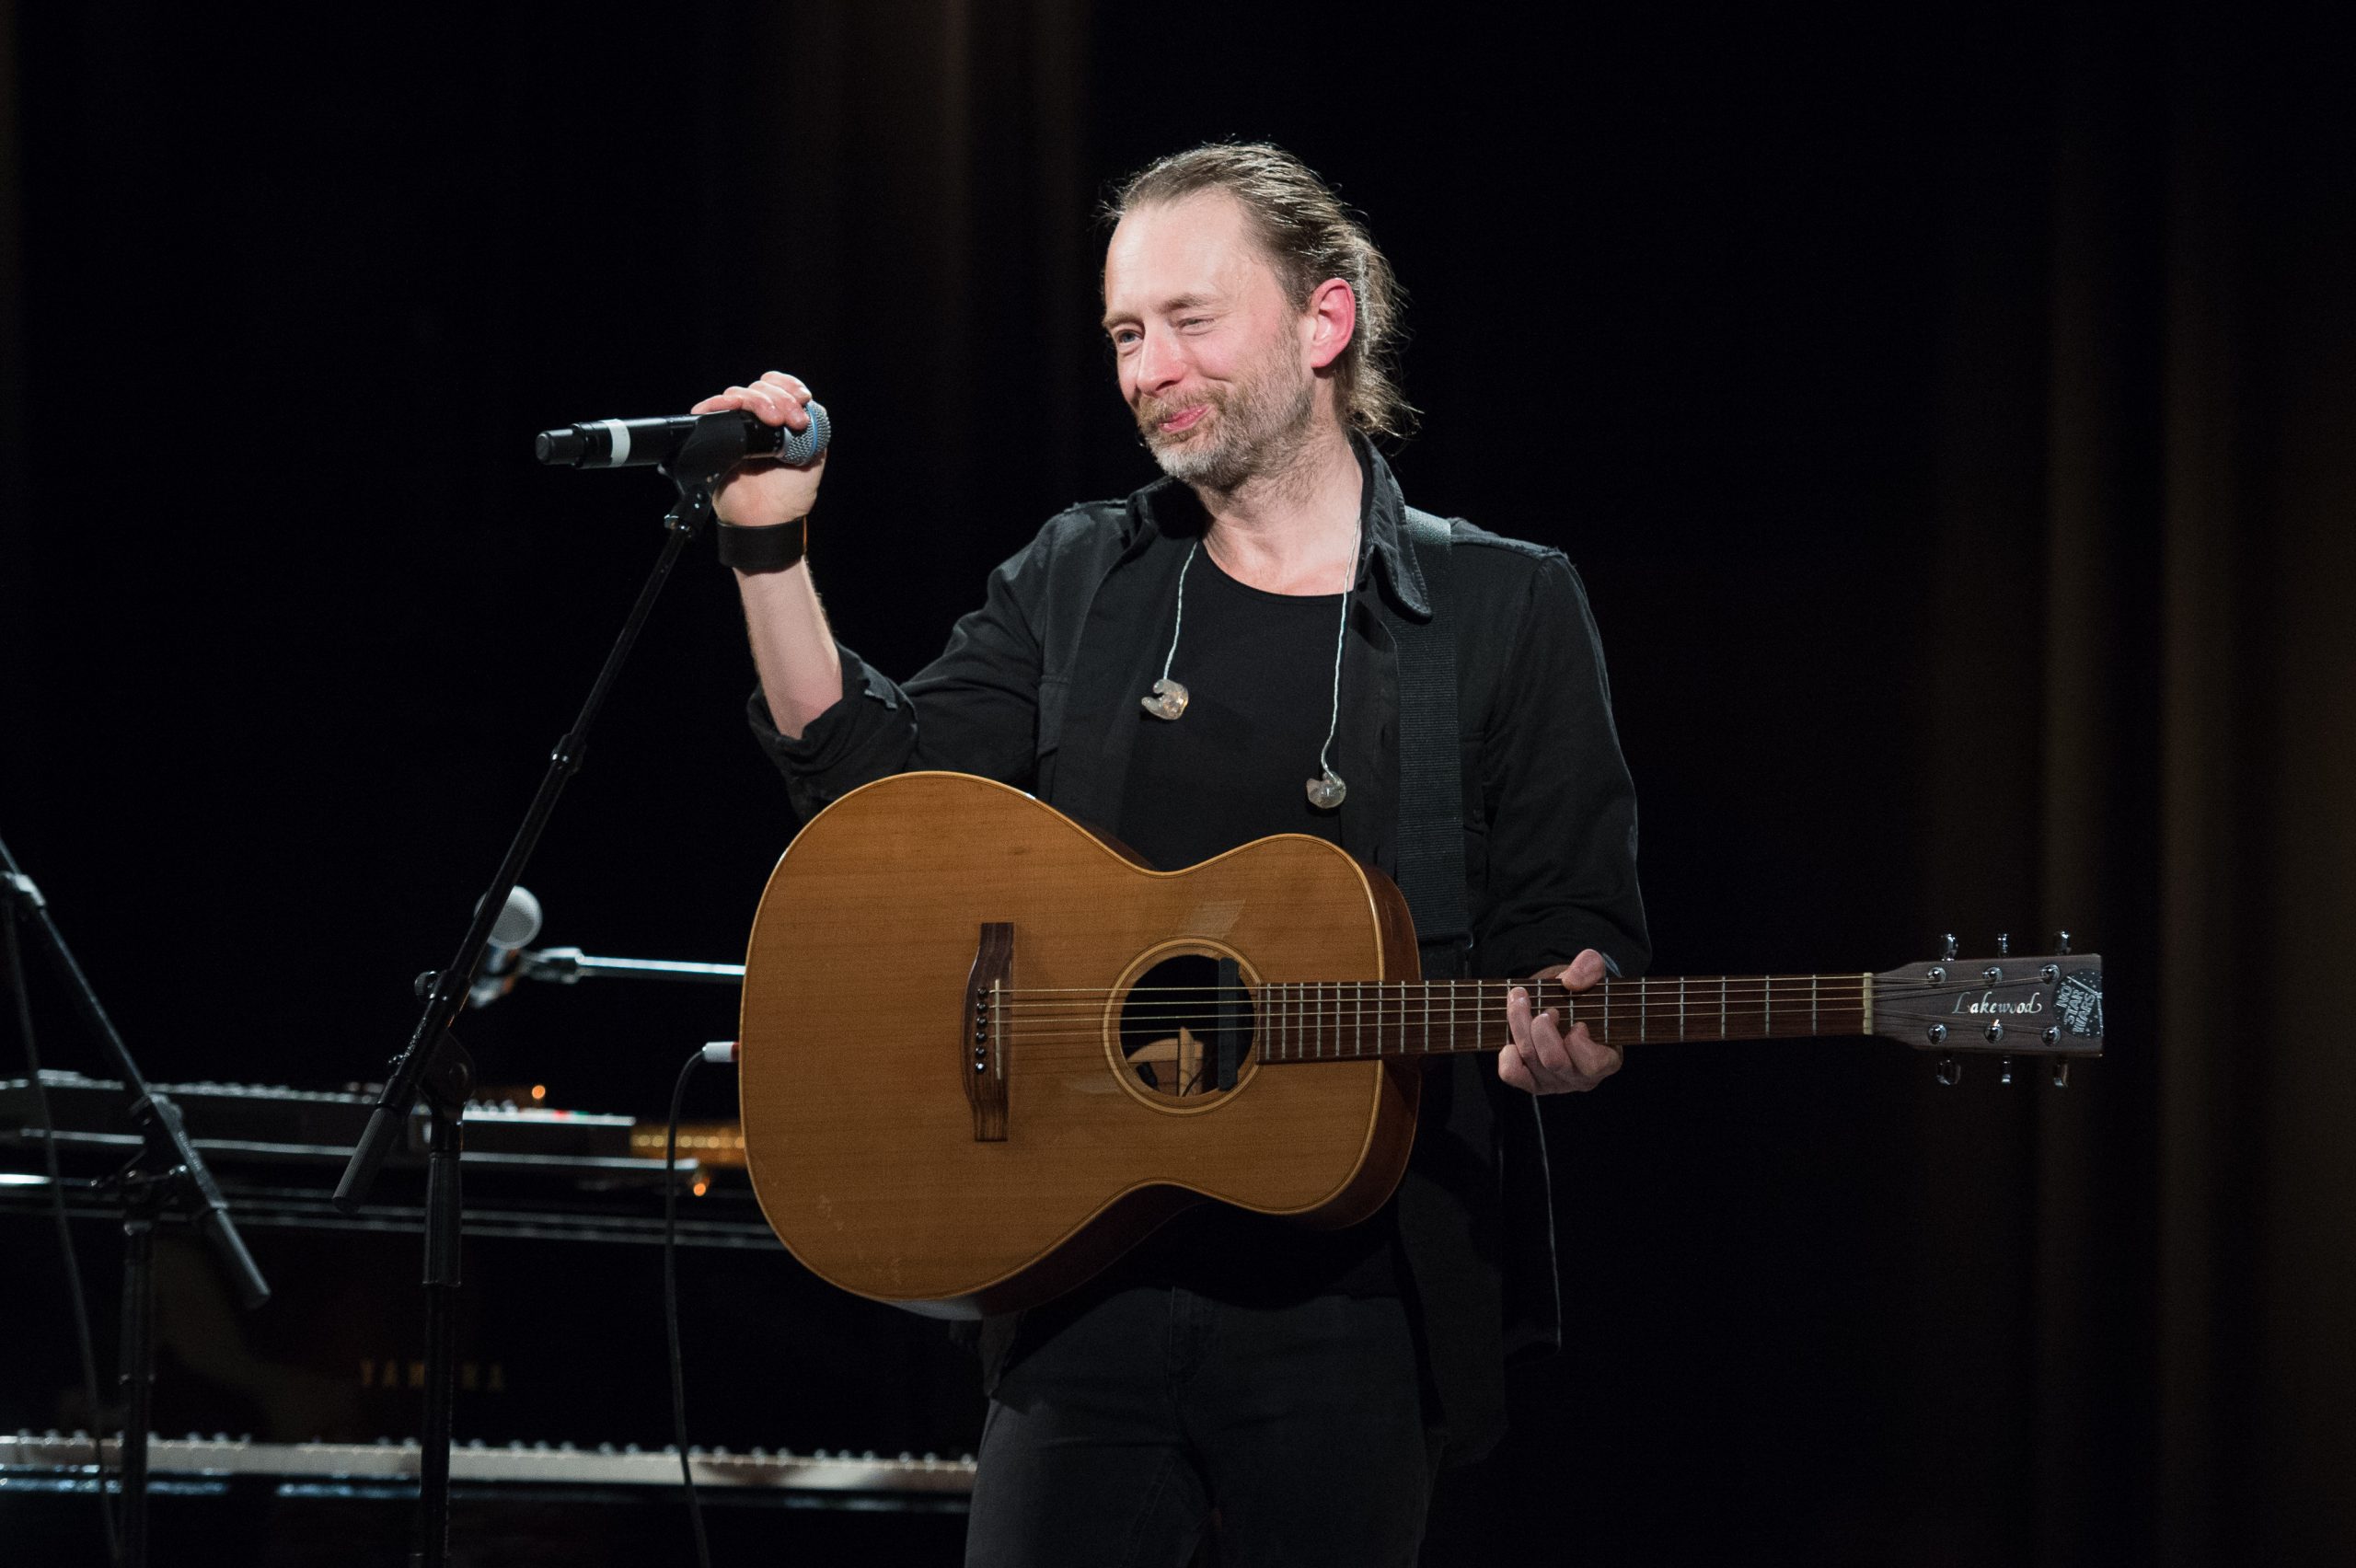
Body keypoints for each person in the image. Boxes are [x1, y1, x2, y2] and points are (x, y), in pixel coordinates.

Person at [699, 143, 1647, 1567]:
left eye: (1190, 320)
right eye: (1126, 334)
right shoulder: (1085, 575)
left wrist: (1574, 1014)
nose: (1151, 368)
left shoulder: (1504, 605)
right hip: (1077, 1278)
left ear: (1324, 321)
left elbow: (1574, 924)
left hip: (1358, 1308)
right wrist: (768, 554)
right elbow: (875, 808)